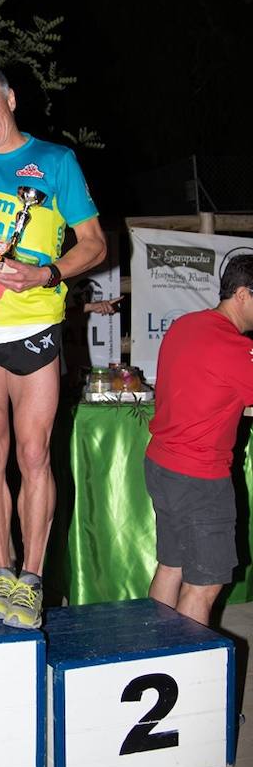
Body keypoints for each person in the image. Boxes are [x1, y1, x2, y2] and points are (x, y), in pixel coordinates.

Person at [0, 62, 107, 628]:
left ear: (11, 99)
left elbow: (94, 243)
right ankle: (2, 573)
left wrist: (48, 276)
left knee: (33, 455)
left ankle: (33, 580)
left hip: (34, 325)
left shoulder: (57, 161)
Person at [145, 254, 253, 626]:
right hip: (200, 477)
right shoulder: (234, 347)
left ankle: (155, 653)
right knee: (203, 586)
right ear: (242, 295)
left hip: (163, 465)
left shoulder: (185, 325)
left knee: (171, 567)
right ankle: (187, 677)